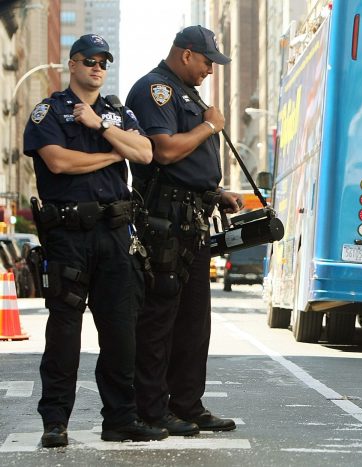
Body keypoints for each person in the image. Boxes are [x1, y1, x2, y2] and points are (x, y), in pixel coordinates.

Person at [22, 34, 169, 447]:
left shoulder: (115, 111)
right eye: (89, 60)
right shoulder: (48, 111)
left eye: (104, 61)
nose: (97, 67)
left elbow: (144, 153)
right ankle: (55, 421)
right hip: (69, 235)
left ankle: (120, 419)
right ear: (72, 65)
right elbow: (59, 161)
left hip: (116, 234)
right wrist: (112, 151)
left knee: (122, 331)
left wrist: (102, 127)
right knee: (66, 331)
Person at [125, 25, 242, 436]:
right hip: (163, 220)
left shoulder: (187, 94)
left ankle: (188, 404)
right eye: (208, 61)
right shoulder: (156, 90)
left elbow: (189, 163)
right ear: (187, 53)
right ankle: (153, 410)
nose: (211, 69)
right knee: (161, 319)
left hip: (191, 219)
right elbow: (164, 150)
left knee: (193, 321)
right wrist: (210, 126)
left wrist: (216, 190)